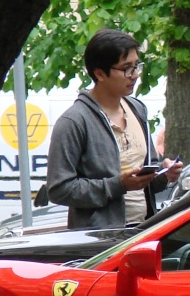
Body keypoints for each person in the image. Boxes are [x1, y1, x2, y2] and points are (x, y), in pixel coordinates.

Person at [47, 28, 182, 229]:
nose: (135, 75)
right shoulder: (74, 121)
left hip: (144, 229)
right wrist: (117, 185)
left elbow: (145, 180)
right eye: (127, 68)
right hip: (99, 240)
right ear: (100, 73)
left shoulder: (137, 108)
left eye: (137, 66)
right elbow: (59, 189)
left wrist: (163, 174)